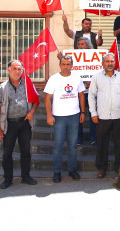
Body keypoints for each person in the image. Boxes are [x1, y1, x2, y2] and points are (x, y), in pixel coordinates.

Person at [0, 60, 39, 189]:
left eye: (19, 69)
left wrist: (32, 112)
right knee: (7, 153)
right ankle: (8, 179)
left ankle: (26, 177)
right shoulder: (2, 88)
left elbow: (36, 100)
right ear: (8, 70)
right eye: (14, 69)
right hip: (10, 124)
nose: (17, 71)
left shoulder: (27, 85)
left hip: (25, 123)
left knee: (26, 152)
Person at [88, 53, 120, 179]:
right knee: (102, 143)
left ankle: (119, 166)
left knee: (119, 143)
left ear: (114, 62)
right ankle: (101, 168)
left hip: (119, 115)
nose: (110, 63)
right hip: (102, 116)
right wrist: (93, 113)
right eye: (107, 61)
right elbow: (91, 95)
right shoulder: (96, 77)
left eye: (112, 61)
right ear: (103, 63)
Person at [44, 55, 85, 183]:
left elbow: (81, 95)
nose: (66, 67)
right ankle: (57, 172)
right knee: (58, 146)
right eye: (64, 64)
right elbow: (47, 98)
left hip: (74, 116)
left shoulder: (77, 77)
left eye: (68, 64)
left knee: (73, 145)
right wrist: (49, 115)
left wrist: (83, 112)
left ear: (72, 65)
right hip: (59, 117)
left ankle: (72, 170)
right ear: (60, 65)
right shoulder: (54, 79)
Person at [57, 37, 97, 146]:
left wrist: (92, 81)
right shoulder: (73, 57)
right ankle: (78, 138)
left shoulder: (96, 57)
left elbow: (99, 72)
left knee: (93, 115)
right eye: (79, 44)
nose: (80, 46)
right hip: (78, 93)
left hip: (92, 92)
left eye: (83, 44)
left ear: (88, 45)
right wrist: (61, 59)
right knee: (78, 116)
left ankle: (94, 138)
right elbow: (68, 70)